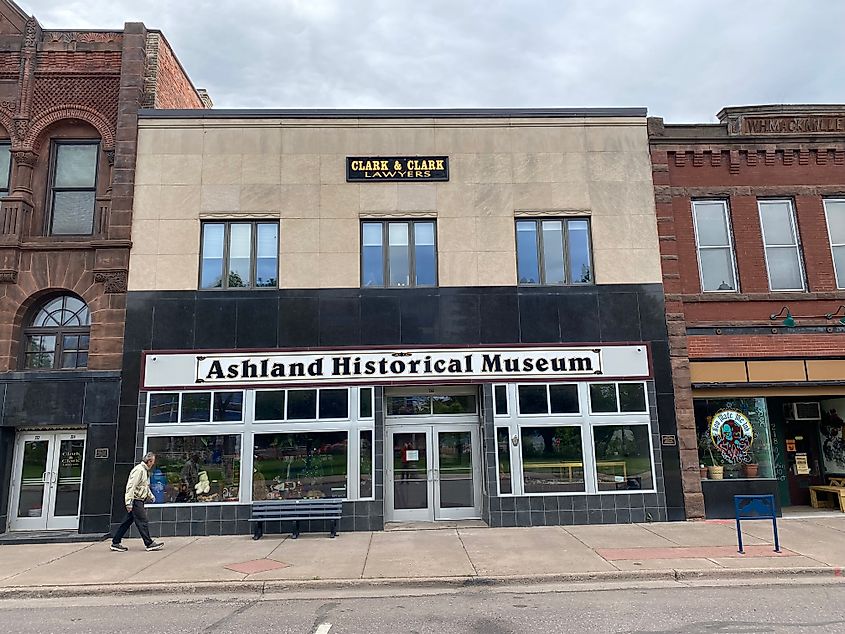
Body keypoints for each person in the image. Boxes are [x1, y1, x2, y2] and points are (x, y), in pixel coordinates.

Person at [110, 452, 164, 552]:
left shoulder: (144, 470)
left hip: (139, 500)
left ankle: (115, 542)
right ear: (149, 461)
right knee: (143, 521)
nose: (153, 464)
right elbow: (131, 486)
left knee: (126, 522)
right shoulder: (139, 470)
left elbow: (144, 486)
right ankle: (149, 543)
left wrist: (151, 496)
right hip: (136, 500)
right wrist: (128, 502)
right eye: (153, 462)